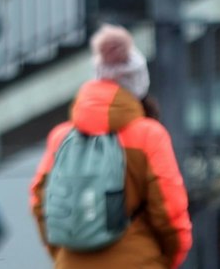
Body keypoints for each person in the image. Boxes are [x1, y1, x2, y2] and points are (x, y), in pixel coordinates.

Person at [31, 25, 190, 268]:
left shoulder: (61, 137)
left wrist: (65, 252)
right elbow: (169, 210)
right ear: (138, 83)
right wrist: (167, 257)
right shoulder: (148, 135)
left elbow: (40, 204)